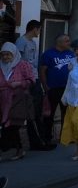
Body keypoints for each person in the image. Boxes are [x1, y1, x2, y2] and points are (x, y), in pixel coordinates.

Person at [17, 20, 48, 151]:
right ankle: (37, 142)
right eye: (39, 29)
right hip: (27, 80)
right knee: (31, 112)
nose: (39, 32)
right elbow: (17, 61)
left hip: (34, 78)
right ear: (34, 29)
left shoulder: (33, 43)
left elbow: (33, 62)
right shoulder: (21, 42)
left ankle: (41, 140)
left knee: (37, 110)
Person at [0, 42, 35, 161]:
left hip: (17, 100)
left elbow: (31, 80)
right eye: (3, 55)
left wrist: (20, 83)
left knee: (11, 126)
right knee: (7, 126)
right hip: (2, 100)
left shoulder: (22, 65)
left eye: (8, 55)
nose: (5, 58)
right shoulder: (0, 66)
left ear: (14, 54)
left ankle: (11, 150)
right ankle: (18, 149)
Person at [39, 34, 74, 146]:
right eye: (67, 41)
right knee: (49, 114)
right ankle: (46, 138)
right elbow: (42, 71)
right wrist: (45, 86)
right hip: (53, 88)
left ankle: (65, 137)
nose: (69, 43)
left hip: (67, 88)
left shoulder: (70, 54)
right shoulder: (48, 54)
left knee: (67, 113)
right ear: (59, 42)